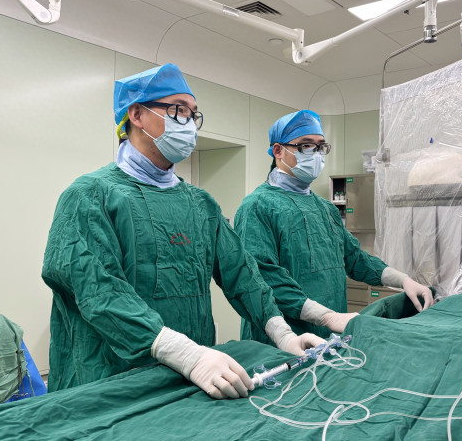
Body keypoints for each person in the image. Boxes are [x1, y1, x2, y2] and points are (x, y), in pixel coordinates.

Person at [42, 64, 323, 399]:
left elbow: (242, 275)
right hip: (112, 382)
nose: (188, 123)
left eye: (193, 114)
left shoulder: (200, 203)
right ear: (137, 114)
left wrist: (283, 334)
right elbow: (99, 292)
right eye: (178, 110)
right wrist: (187, 355)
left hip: (192, 382)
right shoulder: (90, 196)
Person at [234, 110, 435, 343]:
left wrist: (404, 281)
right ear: (278, 151)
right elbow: (263, 279)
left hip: (330, 338)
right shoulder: (257, 207)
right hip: (280, 342)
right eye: (306, 146)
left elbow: (356, 259)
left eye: (321, 146)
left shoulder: (326, 209)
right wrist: (327, 317)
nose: (316, 154)